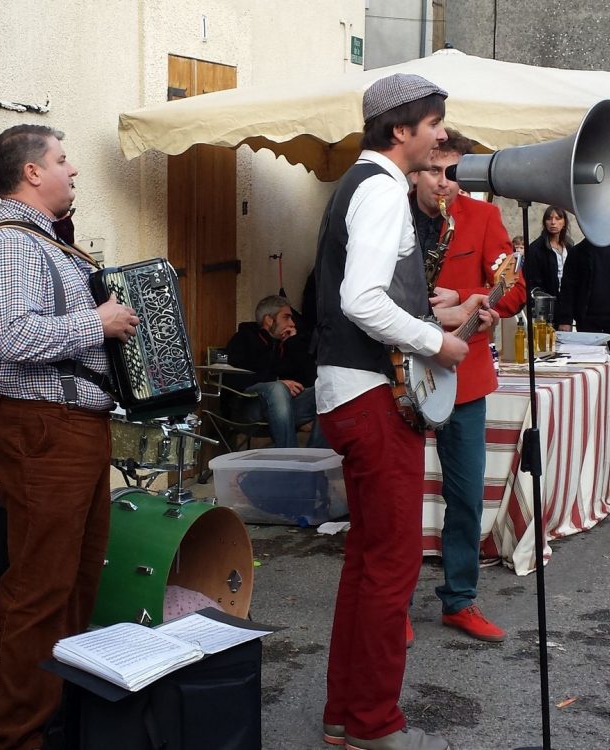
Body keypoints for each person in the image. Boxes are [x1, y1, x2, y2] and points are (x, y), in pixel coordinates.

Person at [314, 73, 497, 750]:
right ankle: (373, 726)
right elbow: (363, 299)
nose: (443, 136)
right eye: (435, 125)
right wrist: (438, 341)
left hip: (348, 391)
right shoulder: (385, 188)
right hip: (370, 396)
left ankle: (346, 716)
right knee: (390, 571)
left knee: (368, 564)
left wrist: (437, 316)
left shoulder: (360, 184)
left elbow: (363, 295)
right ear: (401, 131)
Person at [0, 124, 139, 750]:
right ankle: (19, 734)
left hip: (72, 427)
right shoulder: (10, 244)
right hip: (43, 427)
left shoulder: (53, 246)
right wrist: (97, 322)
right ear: (31, 173)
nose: (74, 171)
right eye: (63, 160)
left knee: (74, 580)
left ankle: (58, 712)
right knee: (40, 587)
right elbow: (9, 336)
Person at [409, 129, 526, 643]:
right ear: (414, 172)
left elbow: (514, 287)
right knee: (399, 498)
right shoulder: (393, 217)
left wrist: (470, 300)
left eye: (453, 173)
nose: (445, 184)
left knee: (465, 495)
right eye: (433, 171)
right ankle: (392, 607)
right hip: (400, 376)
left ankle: (459, 600)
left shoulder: (484, 218)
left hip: (465, 376)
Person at [224, 294, 326, 448]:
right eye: (287, 317)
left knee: (327, 389)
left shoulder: (286, 344)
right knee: (278, 388)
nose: (292, 323)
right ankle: (289, 456)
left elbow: (311, 378)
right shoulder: (243, 338)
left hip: (284, 410)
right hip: (248, 408)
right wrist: (275, 381)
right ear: (269, 320)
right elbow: (233, 377)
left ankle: (313, 457)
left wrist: (293, 343)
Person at [555, 236, 610, 351]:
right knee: (588, 361)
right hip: (587, 320)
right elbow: (568, 288)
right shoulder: (578, 251)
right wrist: (565, 320)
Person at [523, 205, 574, 298]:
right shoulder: (536, 249)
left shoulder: (570, 247)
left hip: (568, 301)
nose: (553, 222)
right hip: (547, 303)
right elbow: (532, 282)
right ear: (545, 222)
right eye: (549, 219)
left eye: (558, 218)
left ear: (564, 223)